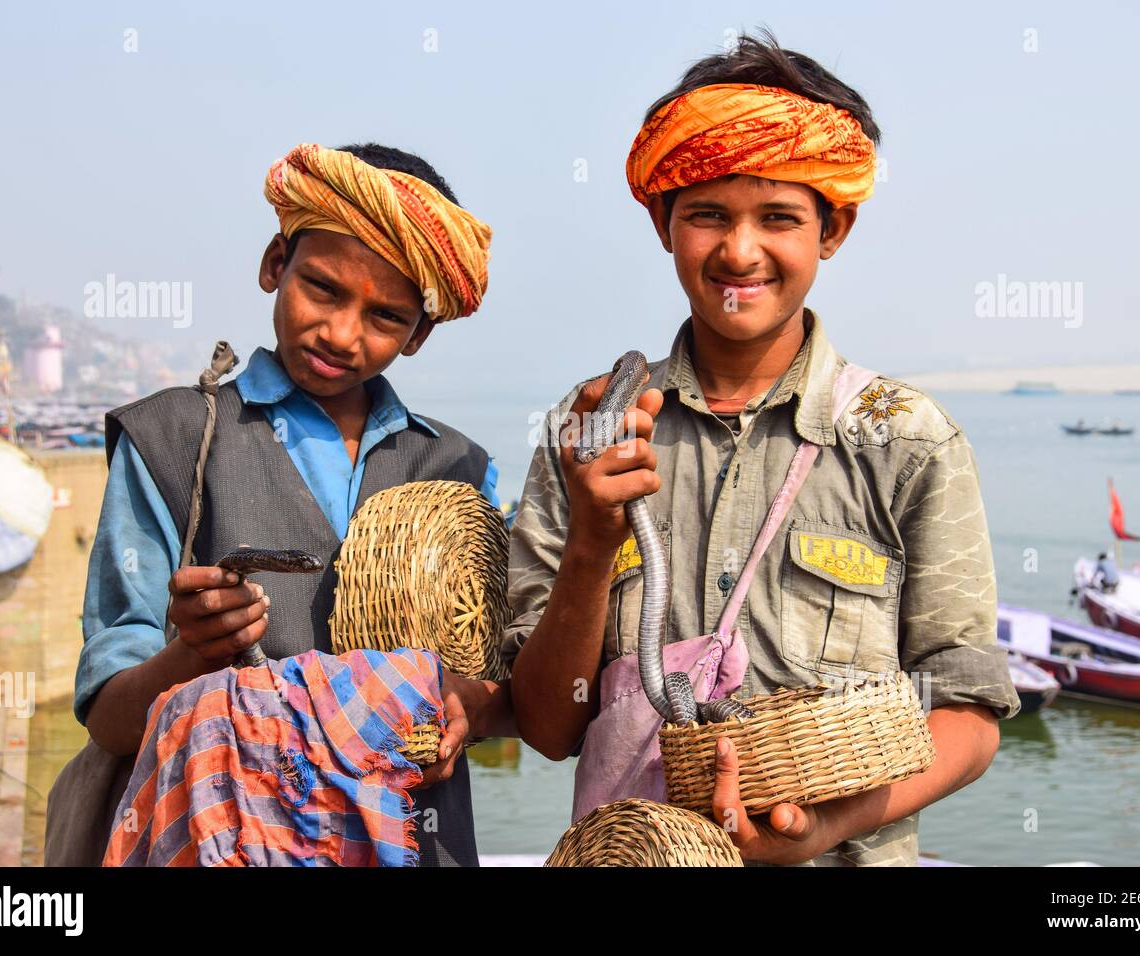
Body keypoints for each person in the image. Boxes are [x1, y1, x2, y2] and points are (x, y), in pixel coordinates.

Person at [504, 31, 1020, 866]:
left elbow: (967, 714)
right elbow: (548, 724)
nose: (739, 252)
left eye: (778, 217)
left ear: (833, 228)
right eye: (707, 214)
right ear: (662, 221)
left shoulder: (908, 440)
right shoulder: (592, 426)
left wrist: (828, 827)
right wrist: (595, 542)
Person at [72, 142, 514, 867]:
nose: (341, 334)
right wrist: (190, 653)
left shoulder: (459, 471)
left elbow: (504, 696)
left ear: (419, 335)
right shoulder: (171, 441)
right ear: (275, 263)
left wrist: (466, 710)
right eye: (323, 288)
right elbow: (115, 720)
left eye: (385, 317)